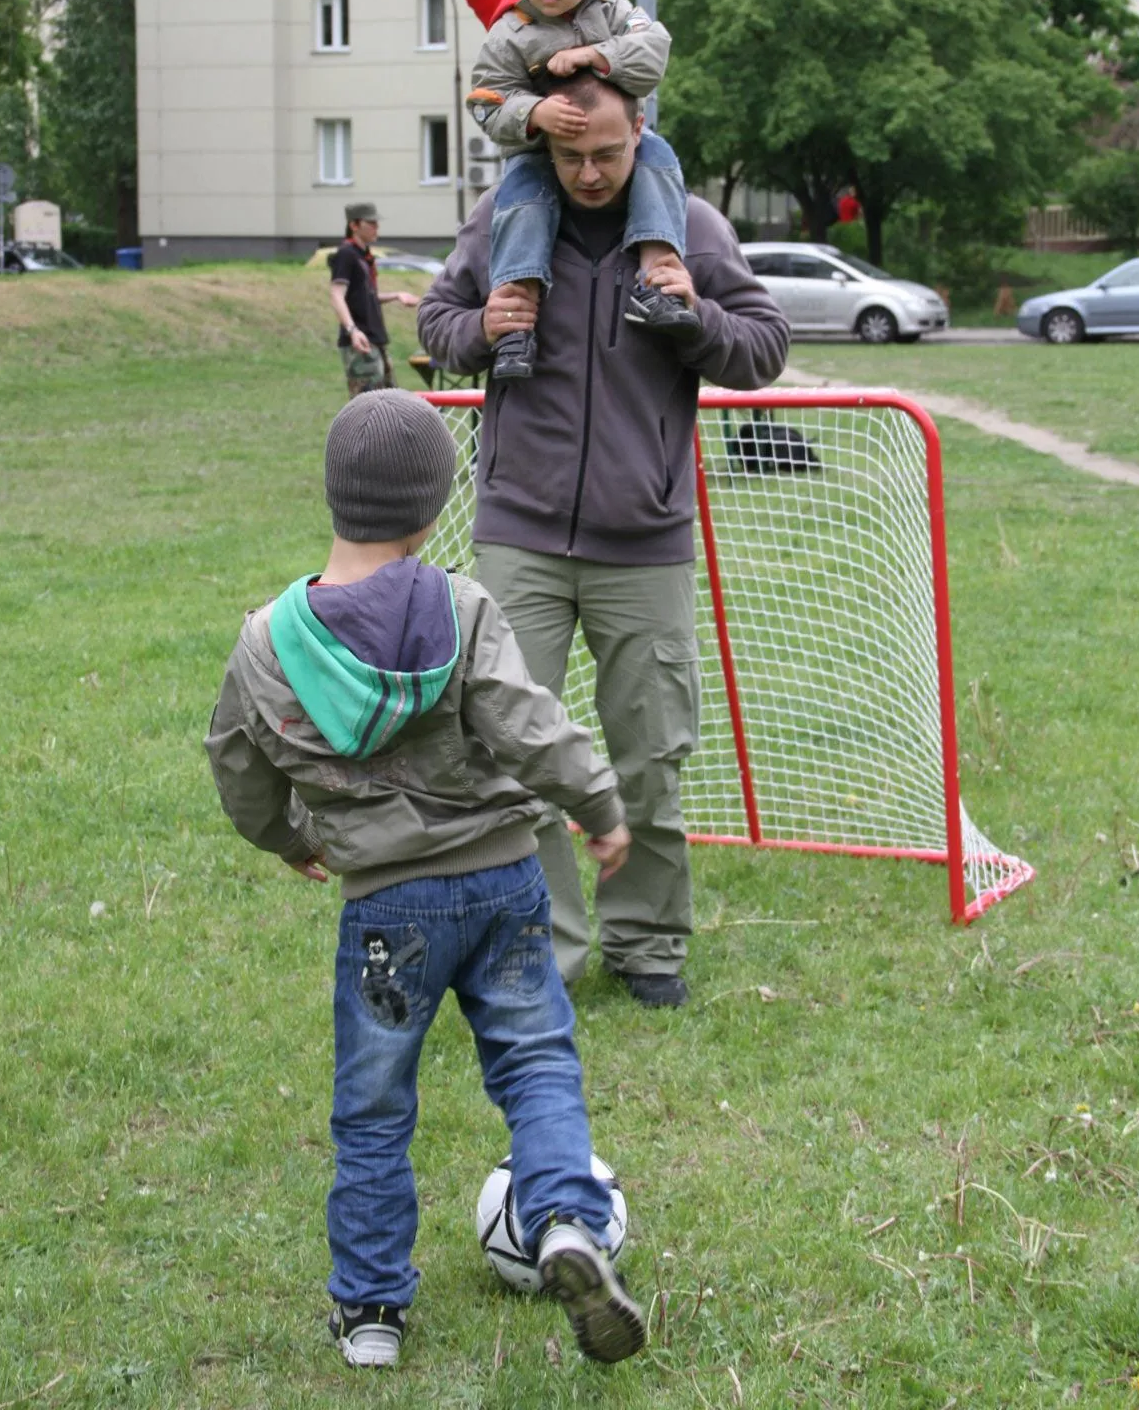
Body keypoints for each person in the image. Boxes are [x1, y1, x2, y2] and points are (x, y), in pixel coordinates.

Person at [204, 389, 645, 1371]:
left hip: (385, 911)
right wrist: (599, 801)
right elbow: (528, 723)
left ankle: (370, 1310)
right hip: (504, 885)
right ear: (435, 503)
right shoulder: (460, 604)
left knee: (373, 1106)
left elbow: (235, 762)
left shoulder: (265, 641)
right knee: (535, 1061)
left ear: (332, 491)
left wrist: (284, 835)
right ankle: (563, 1219)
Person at [417, 75, 791, 1008]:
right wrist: (480, 327)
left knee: (650, 754)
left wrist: (697, 314)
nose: (588, 173)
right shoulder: (505, 216)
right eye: (570, 155)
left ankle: (649, 944)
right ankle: (541, 953)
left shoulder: (690, 227)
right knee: (514, 752)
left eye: (609, 154)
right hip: (520, 531)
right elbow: (435, 323)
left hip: (646, 539)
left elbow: (764, 347)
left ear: (641, 133)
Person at [465, 0, 697, 383]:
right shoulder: (510, 30)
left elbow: (654, 50)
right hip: (543, 153)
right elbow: (485, 100)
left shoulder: (613, 10)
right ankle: (516, 321)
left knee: (659, 162)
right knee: (523, 202)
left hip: (620, 145)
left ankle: (657, 281)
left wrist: (596, 55)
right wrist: (534, 112)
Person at [327, 202, 418, 395]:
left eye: (376, 222)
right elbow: (336, 295)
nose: (376, 227)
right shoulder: (346, 254)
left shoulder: (363, 256)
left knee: (390, 400)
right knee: (368, 404)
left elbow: (365, 296)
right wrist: (353, 331)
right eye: (371, 223)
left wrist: (396, 295)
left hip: (376, 339)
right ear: (354, 225)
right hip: (361, 341)